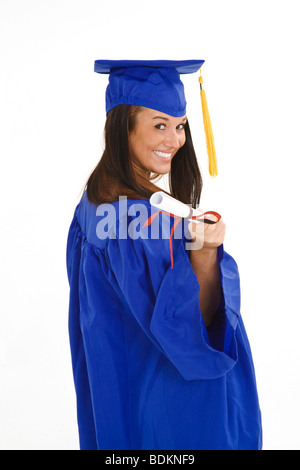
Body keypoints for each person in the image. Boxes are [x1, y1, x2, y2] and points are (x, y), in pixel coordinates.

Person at [67, 60, 262, 450]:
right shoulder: (142, 225)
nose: (175, 140)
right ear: (125, 127)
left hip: (122, 392)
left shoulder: (95, 204)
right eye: (159, 125)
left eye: (181, 125)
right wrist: (205, 253)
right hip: (174, 409)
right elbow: (192, 336)